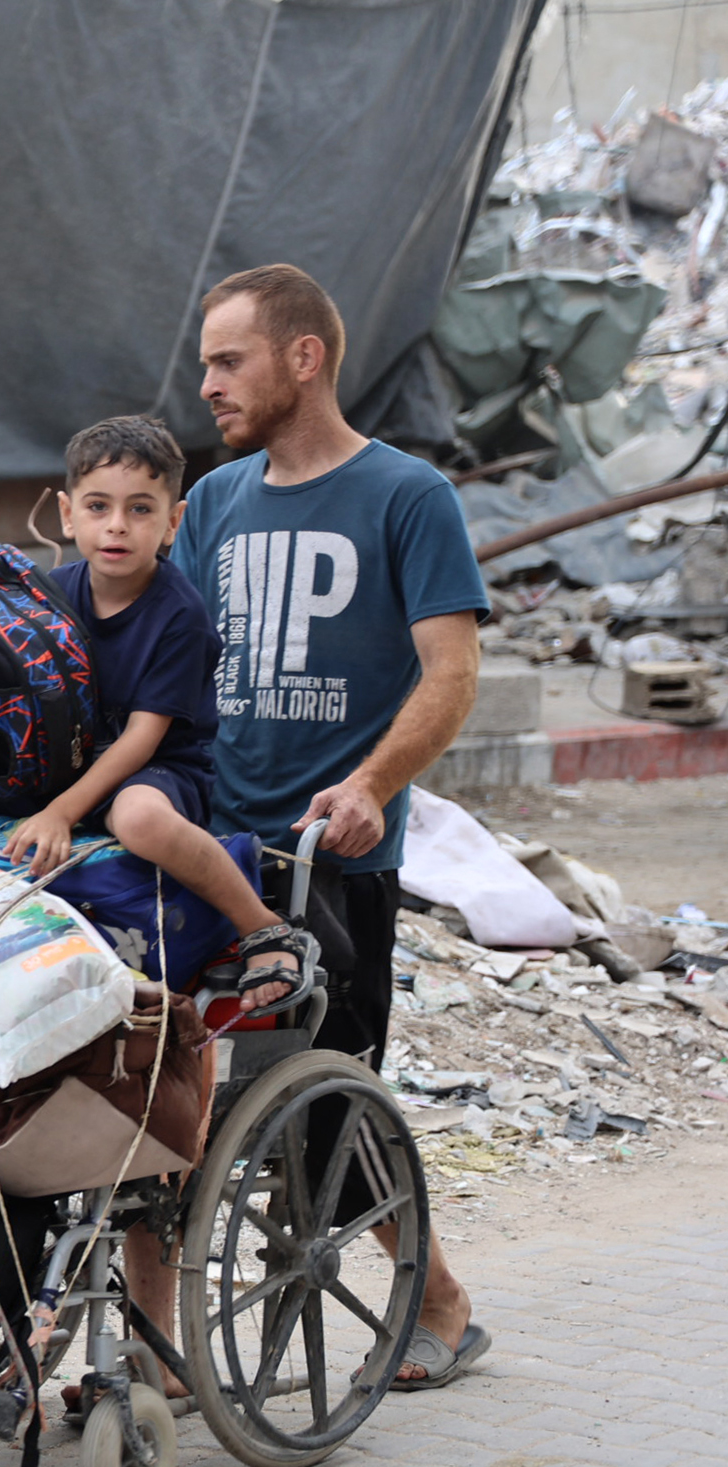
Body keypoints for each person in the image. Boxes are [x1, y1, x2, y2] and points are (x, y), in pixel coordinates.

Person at [166, 262, 488, 1389]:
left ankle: (438, 1301)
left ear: (302, 358)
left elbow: (450, 673)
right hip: (207, 853)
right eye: (205, 363)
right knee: (167, 1094)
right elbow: (168, 659)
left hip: (328, 862)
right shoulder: (214, 502)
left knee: (323, 1110)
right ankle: (158, 1342)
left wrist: (369, 785)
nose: (206, 384)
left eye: (227, 360)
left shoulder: (406, 496)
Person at [0, 415, 309, 1015]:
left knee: (138, 819)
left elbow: (142, 738)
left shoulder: (179, 616)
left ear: (173, 522)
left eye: (140, 509)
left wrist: (60, 812)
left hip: (153, 771)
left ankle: (261, 925)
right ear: (68, 513)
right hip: (53, 759)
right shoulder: (47, 593)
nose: (117, 525)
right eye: (98, 506)